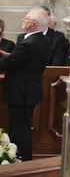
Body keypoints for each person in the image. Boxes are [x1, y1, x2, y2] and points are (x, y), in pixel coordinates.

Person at [0, 9, 50, 161]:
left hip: (21, 93)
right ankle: (14, 159)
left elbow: (6, 64)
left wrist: (8, 58)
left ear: (33, 24)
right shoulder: (42, 40)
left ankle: (25, 163)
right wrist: (7, 54)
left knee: (21, 129)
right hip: (28, 91)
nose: (23, 20)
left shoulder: (29, 43)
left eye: (26, 18)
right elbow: (24, 60)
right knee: (15, 127)